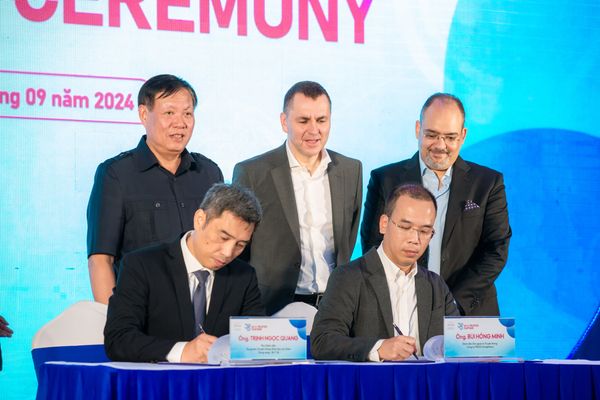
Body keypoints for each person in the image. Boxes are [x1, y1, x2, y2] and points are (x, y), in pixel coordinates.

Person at [360, 93, 511, 316]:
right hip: (401, 309)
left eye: (450, 137)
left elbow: (496, 249)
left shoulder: (488, 183)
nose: (440, 146)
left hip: (469, 312)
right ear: (418, 129)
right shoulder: (385, 179)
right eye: (431, 135)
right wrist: (406, 297)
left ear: (463, 135)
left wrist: (454, 303)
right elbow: (373, 246)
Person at [87, 74, 223, 304]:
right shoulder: (116, 174)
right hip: (142, 310)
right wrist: (115, 320)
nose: (180, 123)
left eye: (187, 113)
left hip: (203, 309)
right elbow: (101, 260)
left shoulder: (209, 173)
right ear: (143, 114)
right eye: (169, 113)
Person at [232, 81, 362, 314]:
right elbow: (239, 249)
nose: (314, 130)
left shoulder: (351, 170)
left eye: (321, 120)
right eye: (303, 121)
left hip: (334, 306)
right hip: (270, 307)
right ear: (284, 122)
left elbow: (349, 238)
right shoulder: (252, 173)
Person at [104, 183, 265, 363]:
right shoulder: (142, 265)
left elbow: (257, 341)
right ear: (200, 219)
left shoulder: (244, 276)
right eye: (223, 237)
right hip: (159, 378)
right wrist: (182, 351)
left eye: (240, 245)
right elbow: (118, 339)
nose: (228, 253)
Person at [311, 184, 459, 361]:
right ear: (384, 224)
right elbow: (322, 341)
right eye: (405, 227)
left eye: (425, 231)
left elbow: (457, 344)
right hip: (373, 378)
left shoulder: (436, 285)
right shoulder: (348, 277)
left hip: (427, 378)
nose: (415, 240)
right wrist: (379, 348)